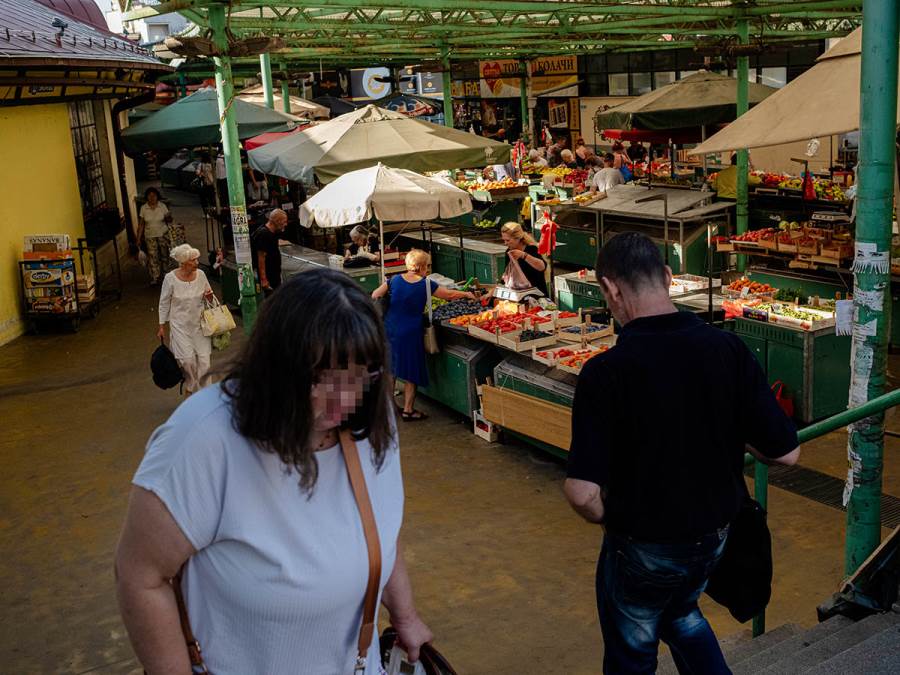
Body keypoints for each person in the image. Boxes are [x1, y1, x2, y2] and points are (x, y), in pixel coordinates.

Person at [118, 269, 433, 674]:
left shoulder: (369, 416)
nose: (342, 398)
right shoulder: (204, 437)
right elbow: (140, 576)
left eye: (358, 377)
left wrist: (405, 616)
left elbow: (382, 527)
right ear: (274, 369)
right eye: (320, 378)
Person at [564, 232, 800, 675]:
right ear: (669, 277)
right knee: (681, 614)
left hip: (644, 546)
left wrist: (610, 515)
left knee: (633, 652)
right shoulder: (728, 349)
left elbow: (582, 493)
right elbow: (786, 454)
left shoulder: (605, 372)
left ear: (610, 289)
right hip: (714, 537)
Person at [371, 250, 475, 421]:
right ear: (420, 267)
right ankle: (408, 410)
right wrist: (466, 294)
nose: (427, 269)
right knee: (412, 370)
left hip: (390, 328)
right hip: (411, 331)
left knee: (391, 369)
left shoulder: (394, 280)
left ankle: (389, 408)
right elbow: (449, 295)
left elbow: (375, 294)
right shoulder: (426, 284)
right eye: (427, 266)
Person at [157, 244, 214, 395]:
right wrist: (161, 325)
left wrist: (209, 297)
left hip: (200, 325)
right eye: (193, 260)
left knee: (204, 362)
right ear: (183, 263)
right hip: (180, 327)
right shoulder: (170, 279)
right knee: (188, 361)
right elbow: (164, 303)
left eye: (196, 259)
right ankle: (190, 385)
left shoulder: (201, 275)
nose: (197, 263)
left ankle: (205, 396)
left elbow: (209, 296)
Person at [500, 221, 547, 296]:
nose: (505, 243)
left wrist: (523, 255)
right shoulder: (509, 252)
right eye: (504, 240)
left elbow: (542, 267)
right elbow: (506, 274)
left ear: (518, 238)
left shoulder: (531, 249)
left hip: (536, 294)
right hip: (518, 294)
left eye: (508, 240)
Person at [138, 187, 173, 286]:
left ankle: (166, 275)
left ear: (157, 196)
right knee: (153, 257)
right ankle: (155, 277)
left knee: (165, 255)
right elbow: (141, 224)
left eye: (154, 195)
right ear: (147, 197)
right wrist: (138, 238)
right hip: (150, 236)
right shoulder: (143, 208)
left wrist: (169, 217)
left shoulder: (162, 206)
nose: (152, 197)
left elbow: (169, 220)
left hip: (163, 235)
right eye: (150, 196)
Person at [251, 208, 288, 295]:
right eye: (284, 222)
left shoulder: (273, 232)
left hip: (274, 274)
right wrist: (264, 279)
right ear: (277, 221)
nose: (285, 224)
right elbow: (261, 257)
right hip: (269, 276)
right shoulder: (264, 234)